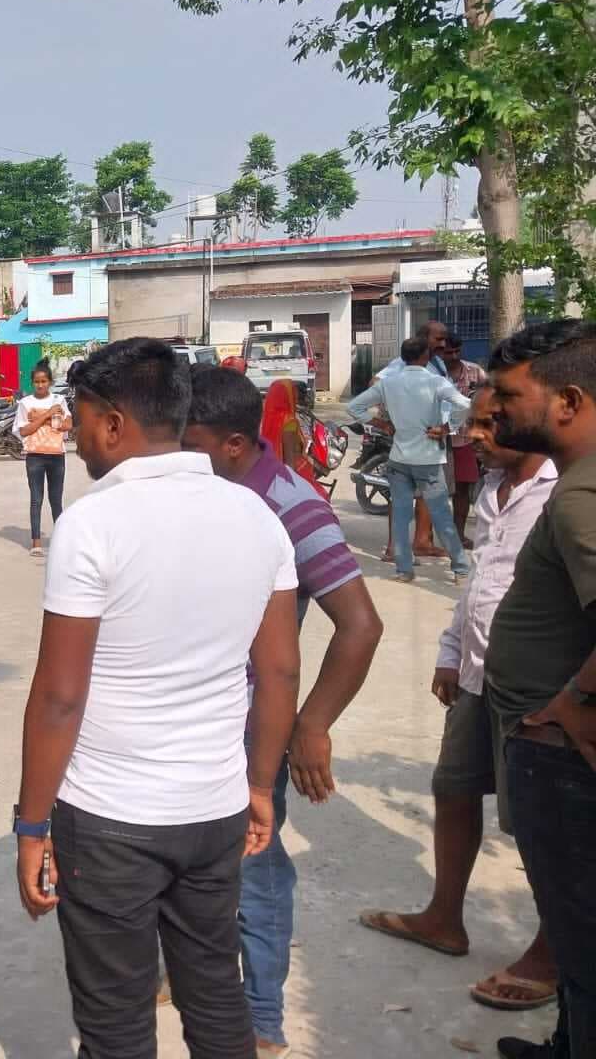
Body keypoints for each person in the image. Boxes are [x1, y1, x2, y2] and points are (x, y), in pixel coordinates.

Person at [15, 338, 302, 1059]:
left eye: (80, 420)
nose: (76, 438)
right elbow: (278, 676)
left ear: (113, 424)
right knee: (214, 992)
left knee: (115, 1024)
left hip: (112, 819)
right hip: (215, 807)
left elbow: (58, 697)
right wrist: (260, 786)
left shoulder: (92, 524)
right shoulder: (257, 518)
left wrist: (31, 824)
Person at [184, 366, 383, 1056]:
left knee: (254, 868)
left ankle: (260, 1017)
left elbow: (360, 624)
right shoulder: (197, 494)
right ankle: (170, 975)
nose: (178, 457)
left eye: (191, 443)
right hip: (182, 716)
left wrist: (312, 723)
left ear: (234, 444)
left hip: (247, 726)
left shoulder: (292, 506)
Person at [357, 386, 558, 1014]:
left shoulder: (565, 493)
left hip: (537, 685)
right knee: (453, 788)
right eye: (472, 423)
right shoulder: (494, 495)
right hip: (477, 674)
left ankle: (554, 951)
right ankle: (444, 917)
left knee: (542, 822)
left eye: (488, 424)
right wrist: (450, 652)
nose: (473, 434)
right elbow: (480, 584)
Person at [478, 319, 596, 1059]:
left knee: (581, 936)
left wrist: (573, 705)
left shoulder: (583, 494)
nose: (494, 410)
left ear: (568, 401)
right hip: (549, 738)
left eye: (510, 394)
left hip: (563, 752)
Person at [347, 335, 473, 583]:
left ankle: (404, 570)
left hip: (399, 458)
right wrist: (448, 428)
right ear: (427, 357)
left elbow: (354, 407)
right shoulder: (436, 382)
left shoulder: (389, 383)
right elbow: (465, 404)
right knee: (441, 516)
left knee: (402, 515)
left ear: (403, 357)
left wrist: (381, 423)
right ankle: (460, 568)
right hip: (428, 458)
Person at [375, 320, 452, 558]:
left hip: (433, 437)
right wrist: (390, 421)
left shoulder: (437, 364)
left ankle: (422, 542)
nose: (443, 344)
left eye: (444, 338)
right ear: (423, 339)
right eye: (438, 339)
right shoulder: (402, 364)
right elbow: (376, 384)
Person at [13, 363, 72, 556]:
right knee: (36, 499)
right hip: (35, 456)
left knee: (56, 499)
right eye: (37, 382)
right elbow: (24, 430)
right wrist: (48, 414)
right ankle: (36, 543)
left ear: (50, 382)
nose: (40, 385)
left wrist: (38, 418)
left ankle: (62, 539)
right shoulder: (25, 403)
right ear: (32, 383)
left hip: (56, 455)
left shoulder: (59, 400)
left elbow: (66, 425)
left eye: (44, 381)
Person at [442, 337, 489, 545]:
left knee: (462, 490)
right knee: (432, 490)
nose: (453, 356)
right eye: (448, 352)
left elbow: (488, 397)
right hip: (437, 439)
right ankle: (424, 538)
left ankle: (458, 535)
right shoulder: (433, 373)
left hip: (464, 439)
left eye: (456, 351)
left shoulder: (475, 371)